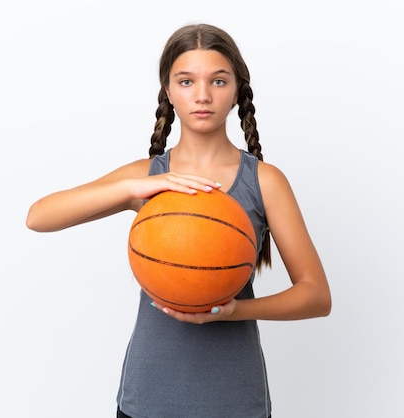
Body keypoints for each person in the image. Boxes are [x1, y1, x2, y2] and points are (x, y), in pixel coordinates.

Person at [26, 23, 331, 418]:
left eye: (218, 81)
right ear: (168, 91)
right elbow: (39, 217)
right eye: (186, 81)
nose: (202, 95)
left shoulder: (264, 180)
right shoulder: (148, 177)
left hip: (235, 400)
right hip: (149, 396)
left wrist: (234, 311)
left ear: (237, 91)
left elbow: (316, 296)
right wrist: (134, 189)